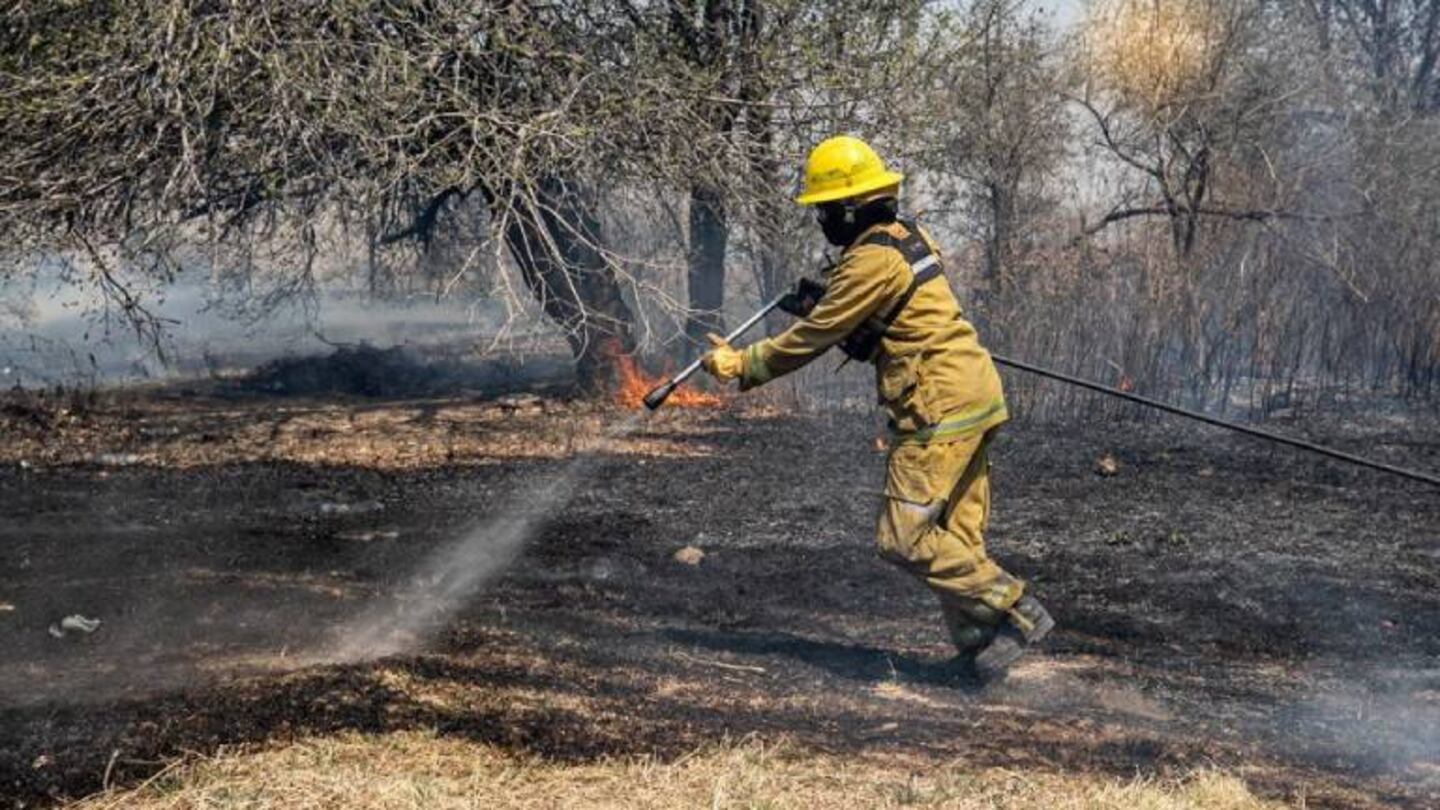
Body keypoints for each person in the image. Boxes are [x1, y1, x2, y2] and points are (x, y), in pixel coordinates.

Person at [700, 135, 1053, 682]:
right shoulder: (907, 238)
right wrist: (839, 312)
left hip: (937, 408)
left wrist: (743, 365)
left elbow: (815, 335)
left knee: (904, 537)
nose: (821, 220)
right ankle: (979, 658)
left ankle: (1014, 608)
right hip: (976, 394)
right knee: (956, 540)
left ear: (848, 207)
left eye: (824, 210)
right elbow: (881, 328)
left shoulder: (868, 261)